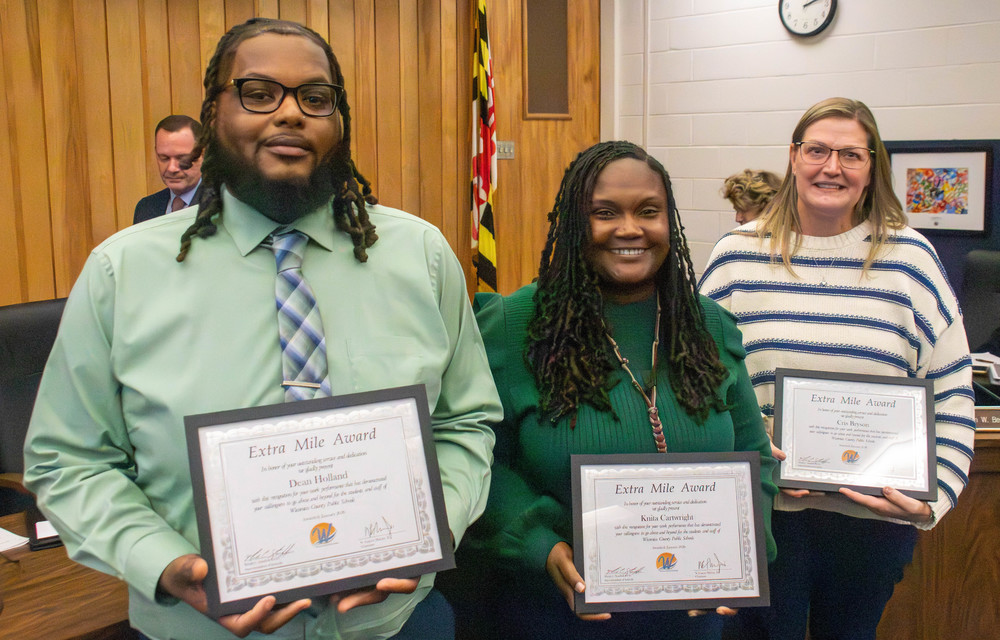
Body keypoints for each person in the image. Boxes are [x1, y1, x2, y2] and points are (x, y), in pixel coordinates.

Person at [24, 18, 499, 640]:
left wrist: (428, 529)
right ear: (213, 114)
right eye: (258, 93)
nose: (291, 115)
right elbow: (69, 459)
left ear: (339, 120)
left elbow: (464, 423)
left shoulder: (421, 256)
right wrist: (163, 563)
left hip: (395, 624)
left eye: (316, 98)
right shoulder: (123, 271)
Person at [439, 140, 777, 640]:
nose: (630, 229)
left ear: (670, 223)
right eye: (605, 213)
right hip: (551, 612)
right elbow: (477, 456)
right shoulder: (514, 325)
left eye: (648, 211)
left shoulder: (708, 325)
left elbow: (753, 452)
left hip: (690, 619)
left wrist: (744, 551)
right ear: (577, 224)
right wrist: (539, 544)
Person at [699, 97, 976, 640]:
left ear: (873, 166)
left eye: (851, 154)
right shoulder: (737, 255)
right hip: (762, 514)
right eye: (818, 150)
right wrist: (749, 457)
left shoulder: (911, 260)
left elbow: (953, 393)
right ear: (793, 158)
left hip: (872, 525)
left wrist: (934, 497)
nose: (832, 167)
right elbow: (697, 384)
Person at [133, 114, 205, 224]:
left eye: (182, 158)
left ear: (203, 155)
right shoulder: (145, 208)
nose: (172, 168)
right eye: (164, 158)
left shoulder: (225, 207)